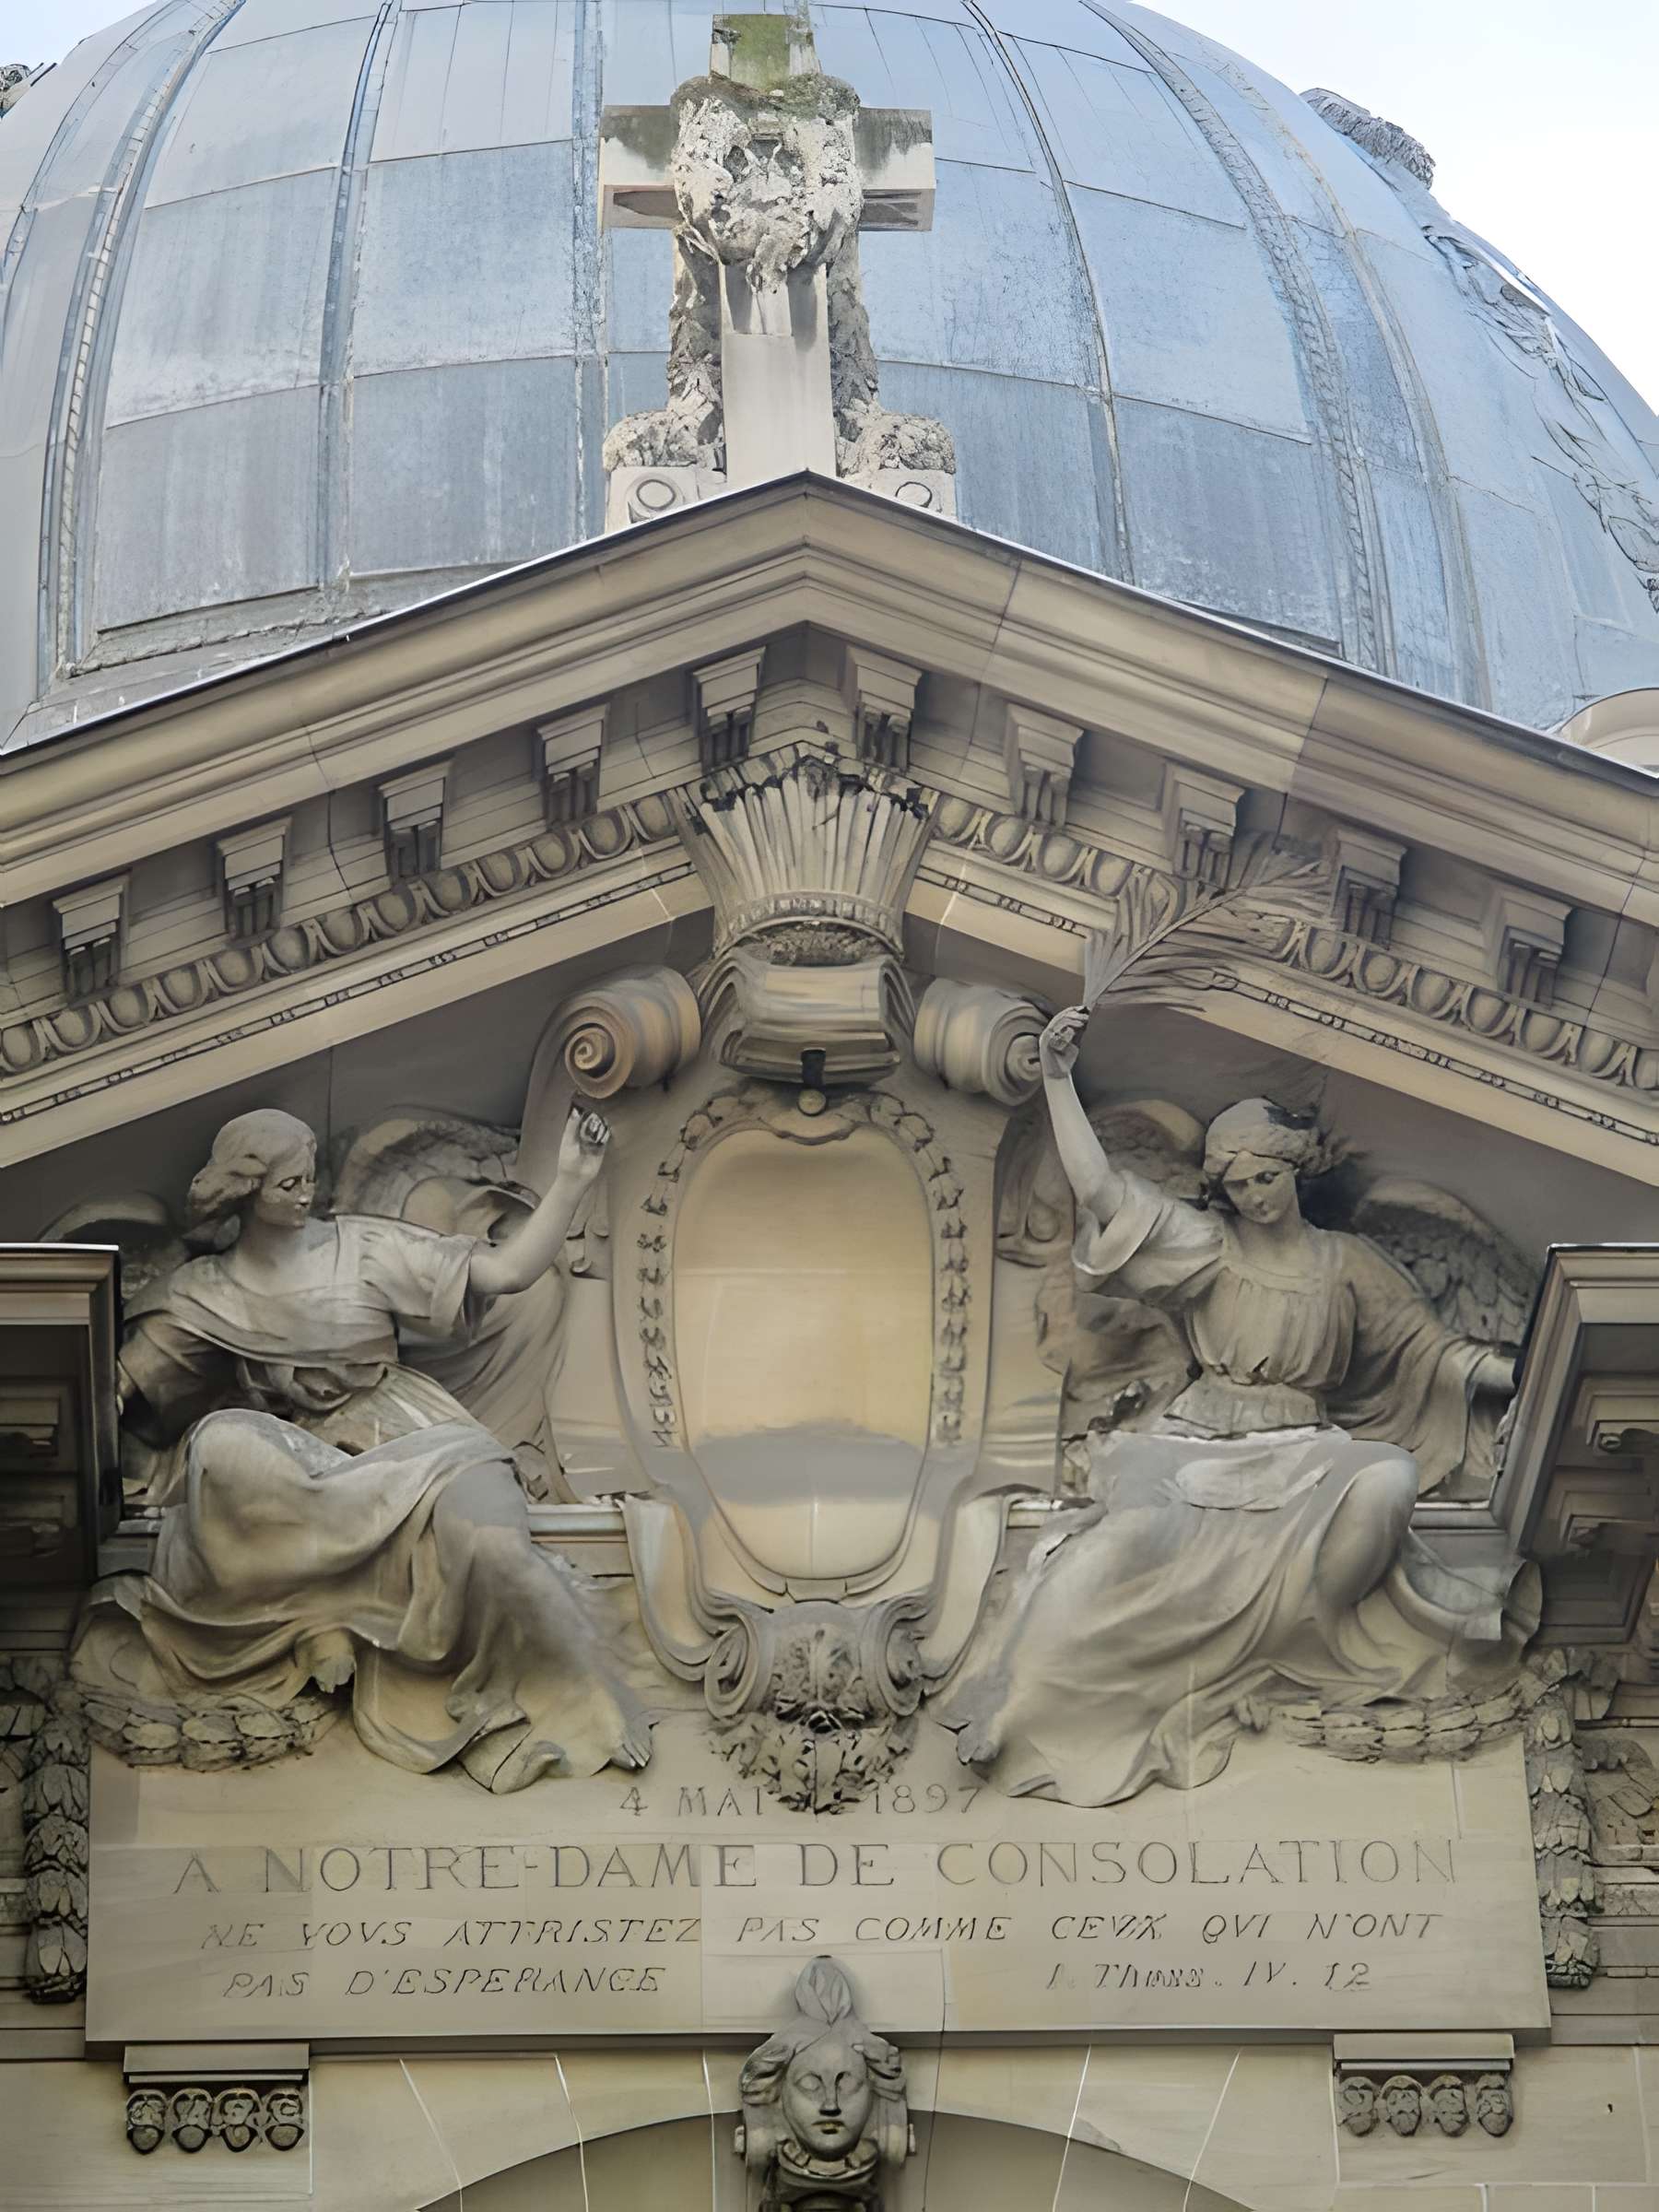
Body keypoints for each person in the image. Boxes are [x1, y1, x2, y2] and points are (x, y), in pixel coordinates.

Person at [946, 1006, 1532, 1806]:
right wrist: (1055, 1078)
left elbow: (1429, 1352)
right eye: (1238, 1184)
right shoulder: (1206, 1248)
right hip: (1196, 1444)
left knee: (1388, 1480)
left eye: (1266, 1178)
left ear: (1296, 1173)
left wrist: (1518, 1375)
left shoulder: (1346, 1263)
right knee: (1120, 1543)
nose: (1253, 1196)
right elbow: (1102, 1189)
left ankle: (1307, 1636)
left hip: (1305, 1448)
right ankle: (1018, 1698)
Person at [119, 1102, 609, 1470]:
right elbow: (134, 1377)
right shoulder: (202, 1294)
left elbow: (507, 1273)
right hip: (290, 1458)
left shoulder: (364, 1248)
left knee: (473, 1493)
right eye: (289, 1186)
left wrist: (572, 1180)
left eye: (308, 1180)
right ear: (248, 1191)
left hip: (397, 1430)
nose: (305, 1195)